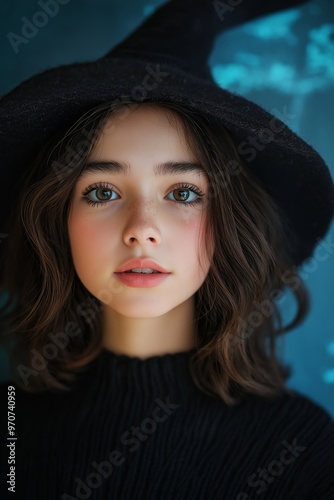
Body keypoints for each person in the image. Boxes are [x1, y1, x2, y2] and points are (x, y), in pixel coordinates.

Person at [0, 1, 333, 499]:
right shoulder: (10, 426)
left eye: (183, 193)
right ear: (58, 222)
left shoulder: (302, 447)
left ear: (228, 221)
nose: (141, 230)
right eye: (102, 192)